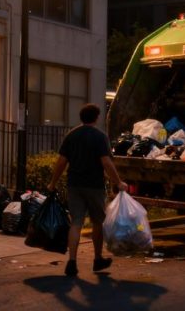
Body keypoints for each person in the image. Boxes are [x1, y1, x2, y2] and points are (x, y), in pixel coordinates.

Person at [48, 103, 128, 278]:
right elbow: (106, 162)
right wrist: (118, 182)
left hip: (74, 185)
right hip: (94, 186)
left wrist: (52, 183)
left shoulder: (71, 135)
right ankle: (97, 259)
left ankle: (72, 261)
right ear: (96, 118)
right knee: (97, 222)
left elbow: (61, 161)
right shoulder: (100, 136)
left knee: (76, 222)